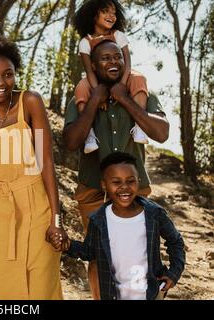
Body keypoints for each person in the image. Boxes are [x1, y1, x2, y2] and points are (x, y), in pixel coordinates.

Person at [62, 39, 170, 299]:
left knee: (137, 250)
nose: (112, 62)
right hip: (92, 189)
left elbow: (162, 133)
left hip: (133, 189)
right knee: (99, 252)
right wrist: (94, 100)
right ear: (94, 67)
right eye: (105, 58)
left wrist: (125, 100)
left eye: (116, 58)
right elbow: (71, 142)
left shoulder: (140, 93)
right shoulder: (83, 96)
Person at [0, 34, 64, 300]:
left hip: (36, 204)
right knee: (5, 288)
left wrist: (56, 218)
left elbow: (46, 161)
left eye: (8, 74)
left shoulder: (30, 102)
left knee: (42, 285)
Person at [50, 152, 185, 300]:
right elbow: (89, 252)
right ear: (104, 185)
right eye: (116, 182)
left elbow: (175, 241)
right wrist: (67, 245)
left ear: (138, 181)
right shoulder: (99, 220)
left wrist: (173, 273)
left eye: (130, 181)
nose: (124, 187)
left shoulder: (154, 214)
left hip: (151, 295)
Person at [73, 0, 149, 153]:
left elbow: (127, 63)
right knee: (81, 87)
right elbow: (89, 71)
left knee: (139, 78)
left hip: (121, 75)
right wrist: (97, 93)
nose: (111, 16)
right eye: (106, 11)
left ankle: (140, 126)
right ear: (94, 15)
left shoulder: (118, 35)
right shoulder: (85, 42)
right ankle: (89, 135)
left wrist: (122, 84)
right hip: (97, 79)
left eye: (114, 13)